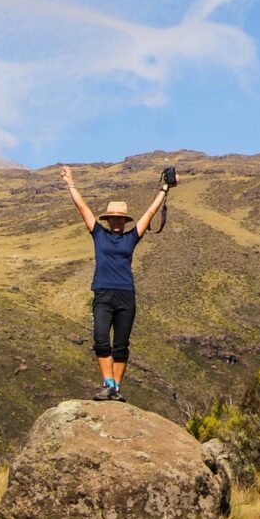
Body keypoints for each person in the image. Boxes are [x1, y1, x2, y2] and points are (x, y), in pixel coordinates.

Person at [60, 164, 175, 402]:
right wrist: (70, 182)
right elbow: (82, 207)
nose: (116, 222)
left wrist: (165, 188)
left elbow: (150, 213)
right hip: (103, 294)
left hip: (126, 296)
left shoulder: (131, 237)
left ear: (124, 221)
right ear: (108, 219)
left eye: (120, 219)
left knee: (121, 345)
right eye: (113, 218)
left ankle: (116, 389)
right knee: (101, 339)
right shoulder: (98, 233)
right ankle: (108, 384)